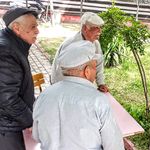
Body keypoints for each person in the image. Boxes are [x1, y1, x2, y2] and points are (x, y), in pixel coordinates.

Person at [32, 41, 124, 150]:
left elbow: (37, 136)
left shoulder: (43, 96)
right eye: (95, 67)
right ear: (87, 71)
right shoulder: (98, 100)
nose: (95, 73)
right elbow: (113, 145)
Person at [0, 7, 39, 150]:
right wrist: (30, 120)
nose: (37, 31)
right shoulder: (6, 51)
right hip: (6, 128)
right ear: (17, 28)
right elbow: (7, 98)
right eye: (33, 27)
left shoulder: (13, 44)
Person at [51, 12, 109, 92]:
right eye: (96, 27)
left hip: (81, 85)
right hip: (64, 85)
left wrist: (101, 83)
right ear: (85, 29)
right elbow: (61, 71)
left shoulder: (95, 43)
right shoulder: (71, 44)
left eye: (100, 27)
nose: (100, 31)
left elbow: (99, 64)